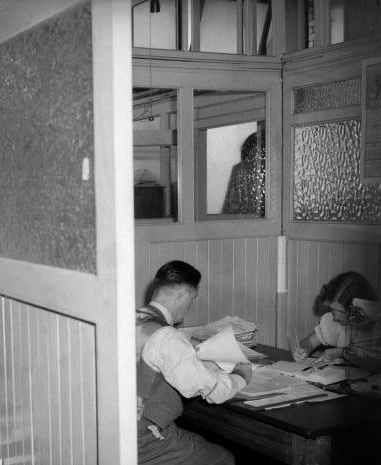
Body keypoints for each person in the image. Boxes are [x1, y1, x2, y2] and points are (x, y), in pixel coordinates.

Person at [136, 260, 252, 465]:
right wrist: (241, 375)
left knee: (197, 440)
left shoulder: (131, 318)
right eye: (192, 298)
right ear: (182, 295)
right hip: (140, 440)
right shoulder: (166, 337)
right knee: (224, 458)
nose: (189, 306)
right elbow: (214, 391)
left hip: (116, 427)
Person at [292, 271, 381, 365]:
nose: (336, 316)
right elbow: (309, 342)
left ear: (360, 308)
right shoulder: (333, 322)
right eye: (332, 309)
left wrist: (341, 353)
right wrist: (303, 349)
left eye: (341, 311)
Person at [222, 131, 265, 216]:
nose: (252, 164)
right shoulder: (239, 171)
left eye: (258, 157)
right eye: (249, 157)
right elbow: (228, 212)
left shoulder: (274, 174)